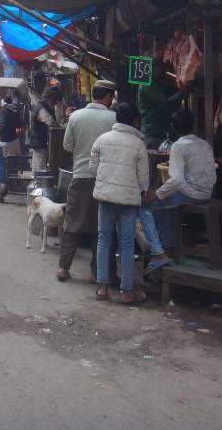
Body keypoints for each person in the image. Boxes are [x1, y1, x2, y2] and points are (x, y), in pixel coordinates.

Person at [58, 80, 117, 282]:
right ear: (109, 97)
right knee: (100, 227)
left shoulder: (76, 116)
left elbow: (67, 146)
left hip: (80, 175)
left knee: (73, 222)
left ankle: (63, 268)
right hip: (105, 178)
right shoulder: (114, 118)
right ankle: (96, 272)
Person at [140, 109, 218, 262]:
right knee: (163, 202)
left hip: (191, 193)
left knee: (147, 206)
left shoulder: (179, 146)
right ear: (193, 126)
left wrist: (155, 195)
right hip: (207, 192)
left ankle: (162, 248)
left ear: (173, 128)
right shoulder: (204, 144)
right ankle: (167, 243)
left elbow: (175, 179)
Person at [90, 102, 148, 304]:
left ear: (116, 118)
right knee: (126, 243)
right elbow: (143, 179)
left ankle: (102, 288)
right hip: (128, 200)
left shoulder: (102, 139)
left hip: (105, 197)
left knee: (104, 240)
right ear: (134, 120)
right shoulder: (139, 144)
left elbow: (92, 169)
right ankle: (126, 292)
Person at [138, 63, 186, 149]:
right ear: (152, 68)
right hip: (153, 135)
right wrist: (184, 91)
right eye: (161, 65)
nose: (165, 69)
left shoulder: (159, 84)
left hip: (160, 135)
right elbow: (166, 104)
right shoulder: (148, 84)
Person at [29, 86, 62, 172]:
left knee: (38, 164)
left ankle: (37, 180)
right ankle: (39, 182)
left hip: (39, 141)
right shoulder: (41, 109)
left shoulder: (41, 107)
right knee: (40, 167)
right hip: (39, 142)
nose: (54, 102)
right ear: (50, 98)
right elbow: (50, 122)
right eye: (53, 100)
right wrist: (60, 126)